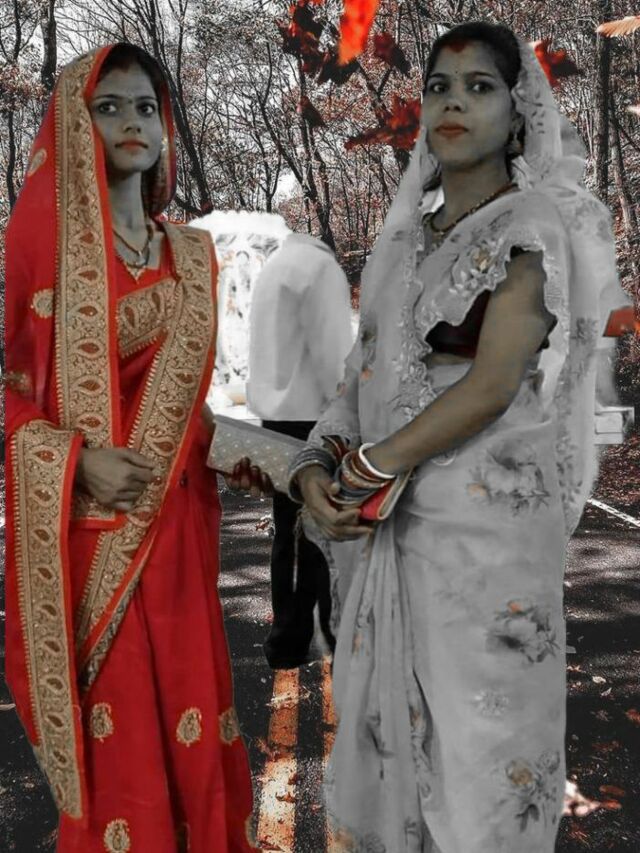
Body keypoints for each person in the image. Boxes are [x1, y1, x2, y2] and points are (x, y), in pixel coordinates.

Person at [289, 22, 630, 853]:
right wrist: (314, 467)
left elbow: (493, 382)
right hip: (389, 532)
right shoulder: (404, 239)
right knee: (395, 752)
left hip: (485, 544)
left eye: (480, 87)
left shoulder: (531, 224)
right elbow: (361, 375)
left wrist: (368, 469)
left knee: (483, 765)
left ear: (518, 115)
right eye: (440, 86)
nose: (453, 102)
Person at [4, 43, 266, 852]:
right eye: (108, 106)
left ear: (165, 128)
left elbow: (189, 416)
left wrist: (267, 458)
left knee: (193, 720)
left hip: (178, 533)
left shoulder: (192, 253)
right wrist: (77, 458)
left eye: (146, 107)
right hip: (94, 539)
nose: (131, 121)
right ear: (72, 125)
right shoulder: (37, 254)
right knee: (121, 759)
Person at [247, 232, 354, 667]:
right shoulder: (320, 269)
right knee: (323, 524)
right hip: (315, 416)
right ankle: (331, 633)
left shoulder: (270, 272)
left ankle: (287, 639)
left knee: (287, 530)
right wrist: (346, 404)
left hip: (277, 415)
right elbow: (334, 352)